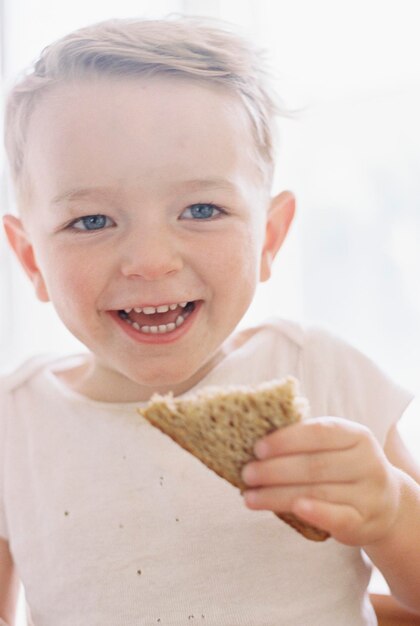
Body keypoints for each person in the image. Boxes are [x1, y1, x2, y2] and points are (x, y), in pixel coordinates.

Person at [0, 16, 419, 626]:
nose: (149, 261)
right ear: (31, 258)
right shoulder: (15, 426)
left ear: (269, 237)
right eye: (91, 221)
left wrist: (390, 509)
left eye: (201, 209)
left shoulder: (322, 375)